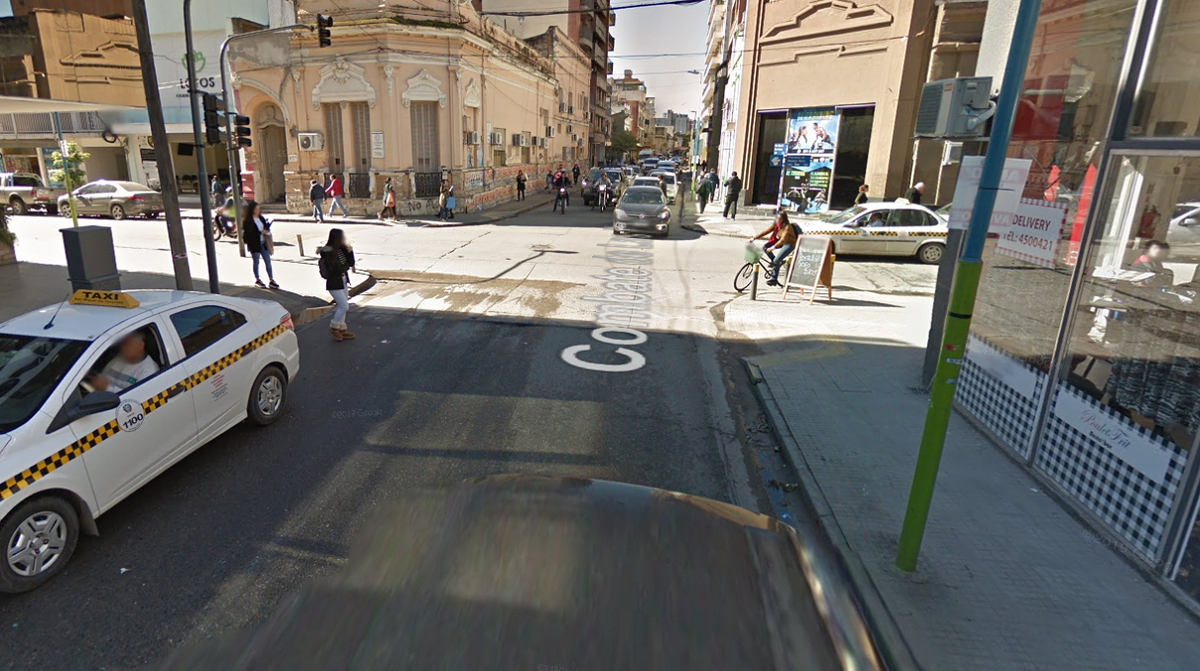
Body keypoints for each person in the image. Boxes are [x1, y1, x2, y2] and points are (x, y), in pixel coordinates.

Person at [87, 332, 159, 393]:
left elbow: (137, 399)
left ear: (141, 345)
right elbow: (103, 377)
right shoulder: (118, 359)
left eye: (128, 344)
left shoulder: (149, 371)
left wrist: (106, 387)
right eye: (123, 344)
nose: (123, 348)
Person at [318, 229, 356, 342]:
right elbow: (336, 268)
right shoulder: (328, 252)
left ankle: (342, 329)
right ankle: (334, 328)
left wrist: (350, 252)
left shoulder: (342, 249)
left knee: (343, 306)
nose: (344, 239)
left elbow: (351, 263)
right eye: (342, 237)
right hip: (334, 282)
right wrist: (345, 267)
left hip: (343, 280)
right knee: (344, 306)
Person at [751, 211, 800, 287]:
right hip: (781, 242)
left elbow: (783, 239)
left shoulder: (787, 227)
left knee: (776, 260)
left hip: (790, 244)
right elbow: (766, 231)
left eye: (779, 219)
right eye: (776, 218)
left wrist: (773, 247)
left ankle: (774, 279)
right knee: (765, 247)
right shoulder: (776, 224)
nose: (777, 220)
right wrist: (754, 238)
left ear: (784, 219)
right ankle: (775, 262)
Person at [242, 200, 279, 289]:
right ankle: (257, 279)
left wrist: (267, 230)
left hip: (263, 243)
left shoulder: (261, 218)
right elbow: (248, 234)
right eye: (256, 209)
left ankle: (271, 279)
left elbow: (265, 227)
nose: (258, 210)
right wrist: (260, 232)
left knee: (268, 261)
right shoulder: (248, 221)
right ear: (252, 210)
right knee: (256, 262)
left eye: (259, 209)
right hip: (254, 244)